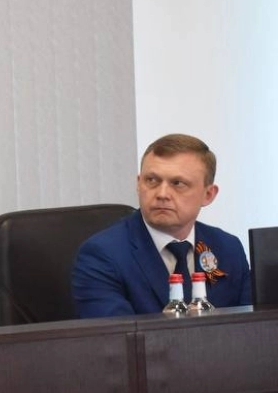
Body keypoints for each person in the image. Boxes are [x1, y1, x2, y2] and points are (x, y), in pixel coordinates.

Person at [72, 134, 250, 317]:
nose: (162, 194)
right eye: (152, 180)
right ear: (138, 184)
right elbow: (117, 333)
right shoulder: (102, 255)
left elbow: (252, 326)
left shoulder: (228, 249)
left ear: (208, 195)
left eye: (178, 183)